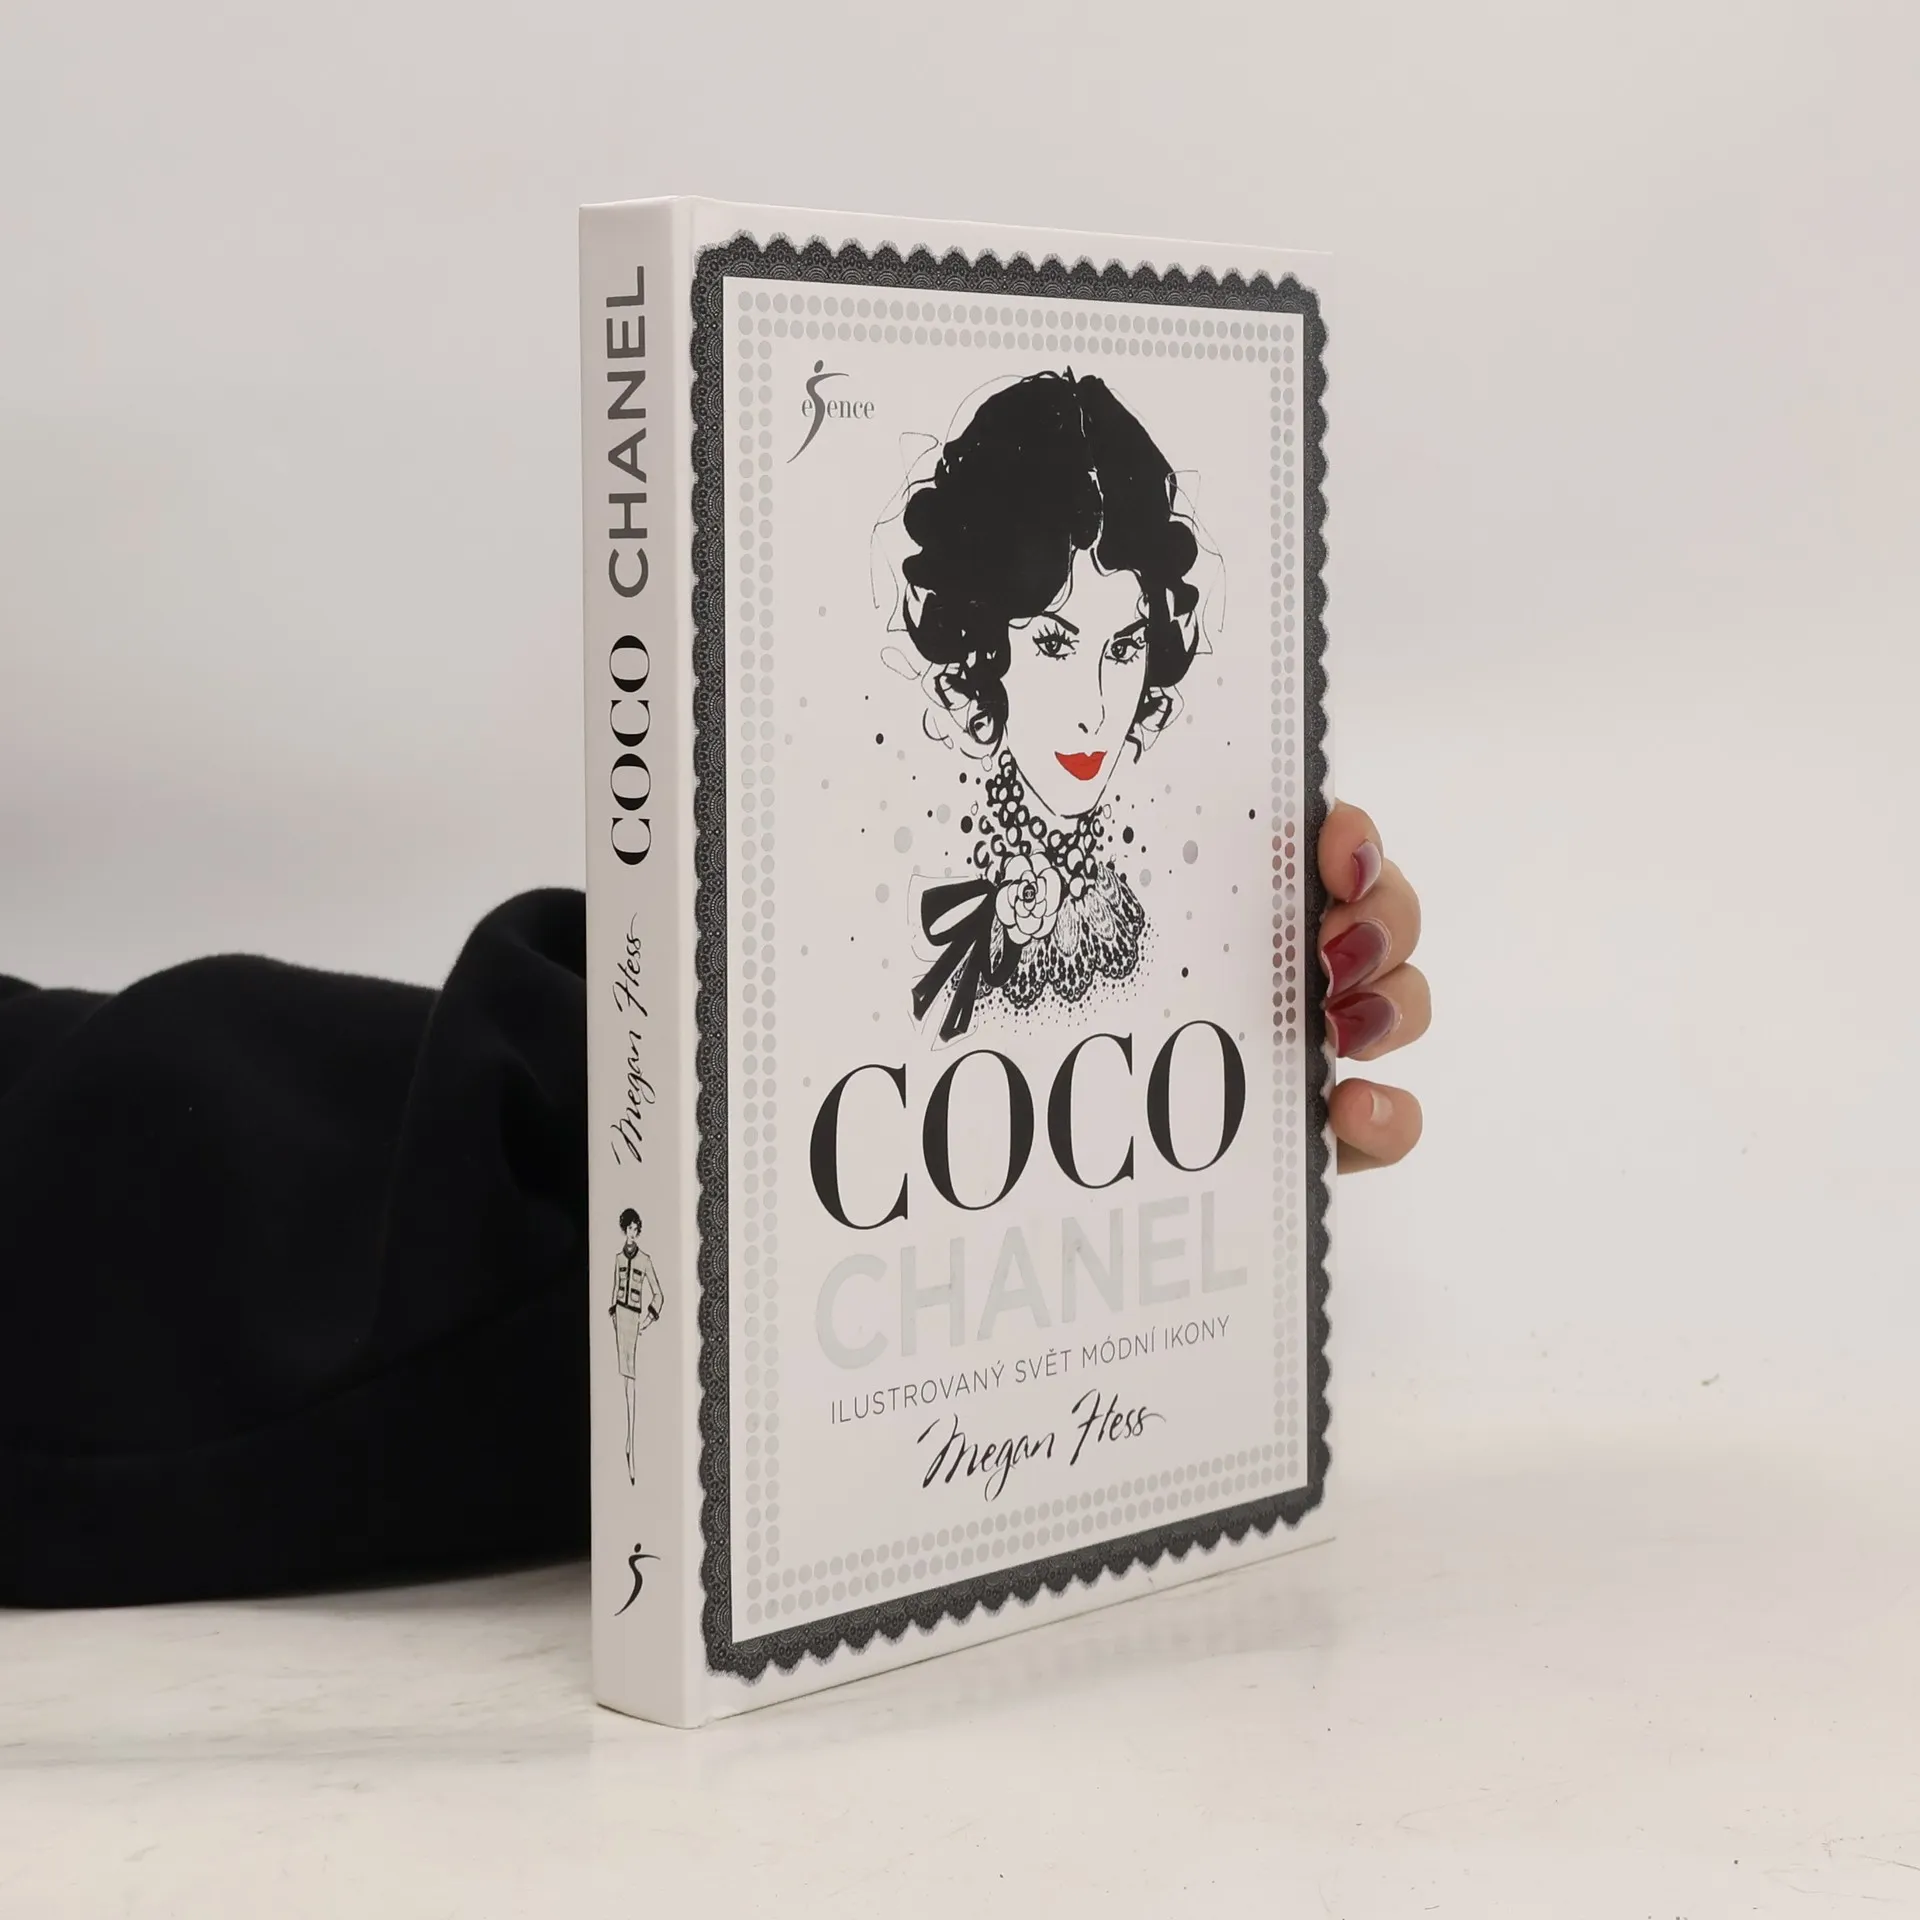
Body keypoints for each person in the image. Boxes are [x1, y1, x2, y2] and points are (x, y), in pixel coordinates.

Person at [608, 1207, 663, 1483]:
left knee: (630, 1379)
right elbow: (613, 1293)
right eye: (628, 1228)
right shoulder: (618, 1259)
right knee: (625, 1379)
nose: (632, 1232)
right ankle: (628, 1443)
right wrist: (614, 1318)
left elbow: (659, 1295)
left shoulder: (645, 1260)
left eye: (635, 1228)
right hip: (620, 1318)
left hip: (633, 1319)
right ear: (624, 1229)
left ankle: (630, 1444)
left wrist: (647, 1321)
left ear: (638, 1230)